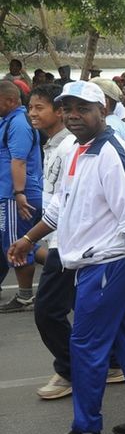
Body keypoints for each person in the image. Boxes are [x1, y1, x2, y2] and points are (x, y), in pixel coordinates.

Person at [7, 81, 125, 434]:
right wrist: (29, 239)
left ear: (103, 111)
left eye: (83, 108)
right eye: (68, 109)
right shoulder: (79, 149)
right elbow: (62, 209)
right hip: (93, 262)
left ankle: (85, 431)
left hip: (108, 262)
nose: (73, 115)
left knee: (85, 345)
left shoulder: (113, 153)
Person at [0, 79, 44, 312]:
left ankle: (26, 295)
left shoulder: (17, 123)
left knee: (19, 244)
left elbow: (19, 161)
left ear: (10, 100)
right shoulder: (8, 121)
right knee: (16, 242)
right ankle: (62, 266)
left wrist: (18, 193)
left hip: (16, 194)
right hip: (9, 193)